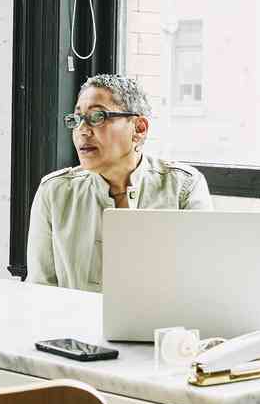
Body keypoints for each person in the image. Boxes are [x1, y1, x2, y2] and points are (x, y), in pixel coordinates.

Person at [25, 72, 211, 291]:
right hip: (73, 324)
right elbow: (39, 290)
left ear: (139, 129)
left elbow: (201, 282)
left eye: (97, 117)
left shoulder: (184, 188)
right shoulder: (54, 191)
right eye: (76, 120)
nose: (82, 130)